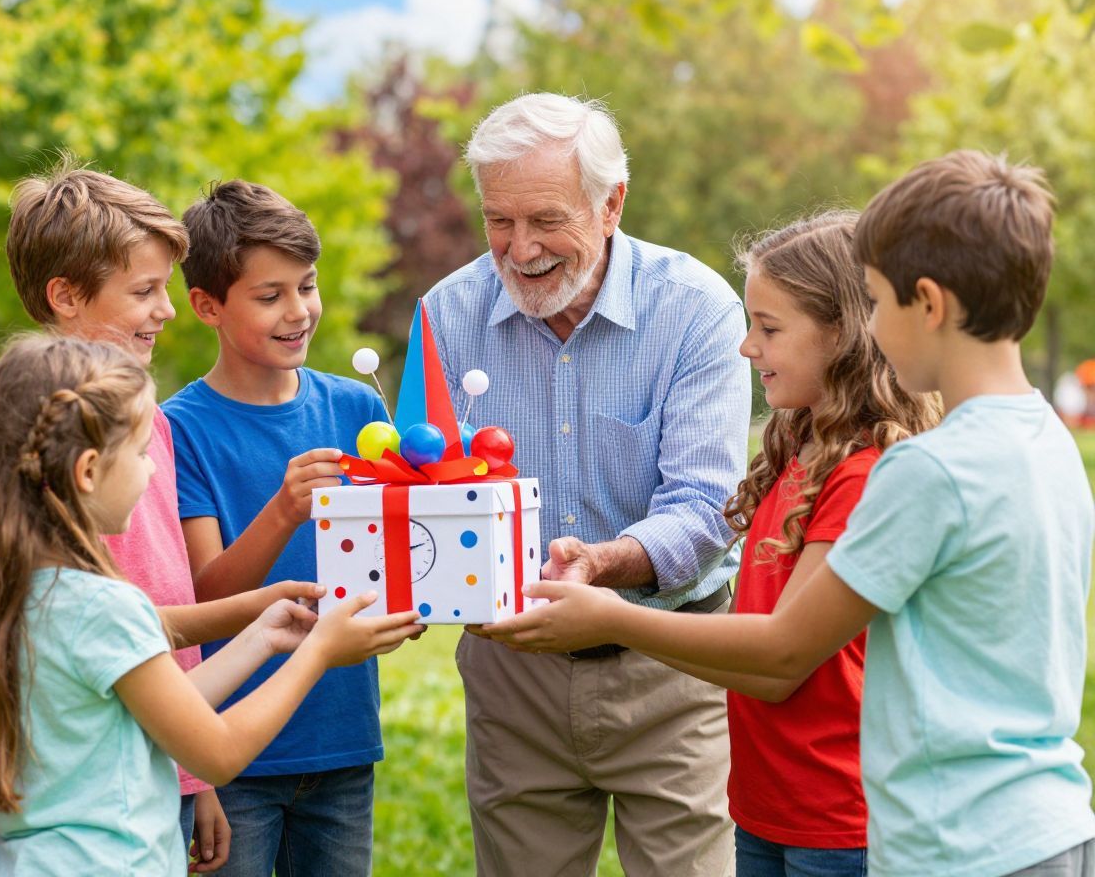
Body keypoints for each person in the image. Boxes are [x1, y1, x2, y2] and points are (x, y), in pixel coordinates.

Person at [485, 151, 1095, 877]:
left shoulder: (926, 472)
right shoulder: (1044, 438)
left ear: (927, 303)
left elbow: (782, 658)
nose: (871, 325)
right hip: (1039, 823)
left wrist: (609, 616)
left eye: (874, 300)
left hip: (956, 842)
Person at [0, 334, 423, 875]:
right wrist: (319, 653)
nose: (150, 473)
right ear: (89, 470)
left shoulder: (25, 589)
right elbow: (215, 751)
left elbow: (165, 707)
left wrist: (262, 636)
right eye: (141, 454)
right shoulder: (103, 607)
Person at [422, 92, 750, 875]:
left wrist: (602, 565)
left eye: (545, 219)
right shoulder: (446, 314)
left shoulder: (698, 311)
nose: (520, 247)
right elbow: (429, 482)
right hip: (514, 676)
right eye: (499, 220)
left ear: (612, 205)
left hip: (673, 664)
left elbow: (708, 508)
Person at [596, 211, 934, 876]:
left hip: (842, 827)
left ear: (841, 335)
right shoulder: (798, 450)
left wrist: (611, 618)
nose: (747, 348)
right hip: (765, 810)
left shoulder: (863, 474)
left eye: (769, 328)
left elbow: (780, 662)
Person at [5, 157, 322, 868]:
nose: (167, 308)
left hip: (166, 744)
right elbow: (112, 630)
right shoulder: (53, 441)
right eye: (145, 290)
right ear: (65, 296)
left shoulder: (156, 428)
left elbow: (161, 616)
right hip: (104, 769)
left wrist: (194, 777)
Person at [164, 180, 386, 877]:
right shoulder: (181, 430)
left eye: (307, 287)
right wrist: (282, 509)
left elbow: (391, 555)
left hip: (343, 739)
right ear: (207, 307)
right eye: (271, 296)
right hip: (232, 746)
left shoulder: (355, 407)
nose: (299, 312)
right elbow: (204, 597)